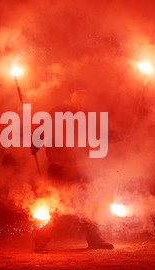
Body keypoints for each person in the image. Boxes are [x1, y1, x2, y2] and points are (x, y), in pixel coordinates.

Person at [32, 101, 113, 251]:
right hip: (58, 167)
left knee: (86, 203)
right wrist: (34, 144)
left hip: (77, 168)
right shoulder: (57, 115)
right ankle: (41, 240)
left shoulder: (79, 117)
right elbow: (38, 136)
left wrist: (34, 145)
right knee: (52, 205)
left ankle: (43, 241)